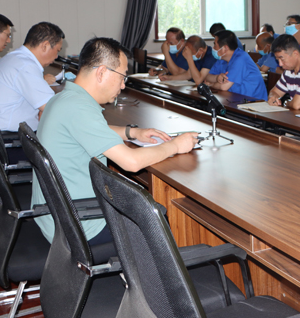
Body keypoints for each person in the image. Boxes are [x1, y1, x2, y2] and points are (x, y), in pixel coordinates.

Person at [31, 37, 197, 245]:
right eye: (122, 76)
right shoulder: (79, 108)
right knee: (158, 216)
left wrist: (132, 133)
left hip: (55, 215)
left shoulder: (65, 98)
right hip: (79, 225)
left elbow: (88, 131)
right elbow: (131, 162)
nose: (123, 85)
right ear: (101, 72)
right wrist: (175, 145)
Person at [0, 22, 63, 132]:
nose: (56, 57)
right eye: (57, 51)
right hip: (5, 137)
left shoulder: (16, 58)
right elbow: (53, 108)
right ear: (45, 46)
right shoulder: (25, 66)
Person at [205, 30, 267, 100]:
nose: (213, 48)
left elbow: (224, 87)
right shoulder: (222, 59)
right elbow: (207, 77)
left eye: (215, 45)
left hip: (253, 102)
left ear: (225, 48)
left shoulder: (241, 58)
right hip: (235, 99)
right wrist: (217, 78)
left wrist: (211, 84)